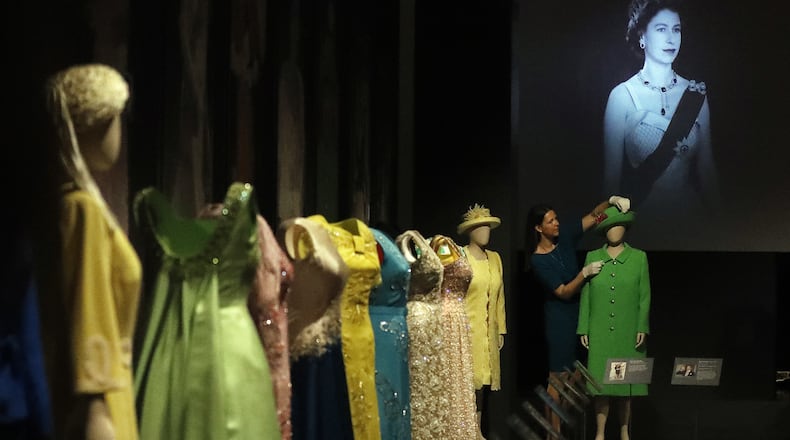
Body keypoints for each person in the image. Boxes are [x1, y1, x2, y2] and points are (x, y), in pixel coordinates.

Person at [39, 63, 142, 440]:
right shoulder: (81, 210)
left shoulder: (72, 205)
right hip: (101, 407)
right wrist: (99, 413)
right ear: (96, 127)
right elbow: (90, 318)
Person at [602, 0, 719, 245]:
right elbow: (610, 183)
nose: (671, 38)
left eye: (676, 29)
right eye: (661, 29)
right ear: (642, 35)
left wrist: (723, 229)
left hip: (692, 227)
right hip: (642, 228)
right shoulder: (622, 97)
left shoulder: (696, 94)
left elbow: (707, 171)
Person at [526, 195, 630, 438]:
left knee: (574, 376)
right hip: (559, 319)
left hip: (580, 314)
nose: (557, 224)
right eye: (551, 221)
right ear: (538, 227)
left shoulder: (565, 238)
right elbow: (562, 292)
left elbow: (595, 217)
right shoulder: (538, 259)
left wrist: (612, 202)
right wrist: (584, 273)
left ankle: (561, 426)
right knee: (557, 377)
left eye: (556, 218)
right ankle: (553, 432)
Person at [577, 206, 651, 440]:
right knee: (601, 385)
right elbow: (586, 295)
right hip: (599, 330)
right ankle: (599, 432)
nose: (614, 231)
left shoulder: (638, 258)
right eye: (609, 227)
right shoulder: (593, 258)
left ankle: (624, 430)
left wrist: (642, 326)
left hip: (628, 330)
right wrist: (584, 327)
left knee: (625, 385)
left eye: (618, 226)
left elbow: (645, 295)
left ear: (626, 229)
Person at [457, 204, 507, 440]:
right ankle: (466, 428)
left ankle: (476, 428)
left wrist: (501, 329)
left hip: (489, 329)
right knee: (469, 378)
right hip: (467, 327)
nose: (485, 231)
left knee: (484, 380)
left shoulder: (495, 259)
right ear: (471, 231)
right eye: (480, 227)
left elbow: (500, 297)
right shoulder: (461, 255)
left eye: (488, 227)